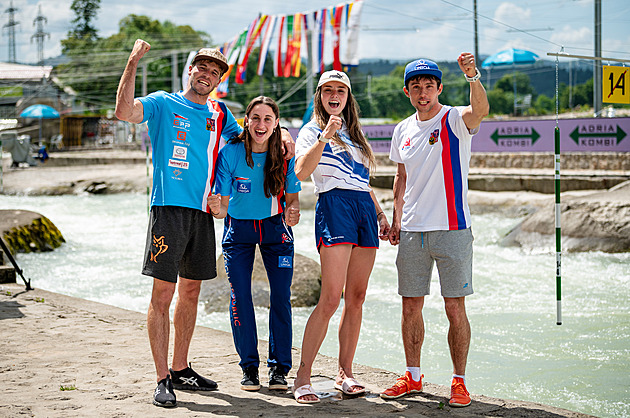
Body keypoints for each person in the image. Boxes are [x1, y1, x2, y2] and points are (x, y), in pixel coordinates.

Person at [115, 39, 295, 408]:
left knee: (192, 292)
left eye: (214, 72)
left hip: (204, 216)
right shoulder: (164, 102)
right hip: (168, 208)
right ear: (191, 70)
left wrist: (286, 132)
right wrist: (132, 62)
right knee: (162, 296)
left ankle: (181, 368)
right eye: (202, 68)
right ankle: (162, 377)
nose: (207, 75)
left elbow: (253, 134)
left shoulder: (219, 112)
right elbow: (123, 112)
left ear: (218, 80)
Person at [379, 54, 489, 408]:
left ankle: (459, 382)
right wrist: (396, 219)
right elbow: (401, 177)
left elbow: (481, 110)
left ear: (439, 88)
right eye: (416, 87)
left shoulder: (454, 118)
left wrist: (472, 76)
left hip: (453, 228)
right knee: (410, 306)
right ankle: (412, 375)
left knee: (454, 308)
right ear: (407, 92)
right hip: (412, 230)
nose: (423, 92)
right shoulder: (402, 130)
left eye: (429, 86)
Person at [291, 70, 390, 404]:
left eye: (341, 91)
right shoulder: (311, 130)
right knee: (331, 298)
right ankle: (302, 377)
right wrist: (324, 136)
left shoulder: (356, 134)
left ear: (348, 97)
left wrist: (379, 213)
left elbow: (362, 181)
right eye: (328, 90)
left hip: (363, 207)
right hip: (333, 204)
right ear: (319, 95)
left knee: (357, 297)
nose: (335, 95)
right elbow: (302, 172)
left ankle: (345, 372)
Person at [209, 96, 301, 392]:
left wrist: (294, 211)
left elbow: (294, 198)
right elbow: (222, 208)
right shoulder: (231, 153)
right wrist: (214, 207)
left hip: (276, 229)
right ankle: (249, 367)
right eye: (255, 118)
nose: (261, 124)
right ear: (245, 121)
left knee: (281, 298)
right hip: (239, 231)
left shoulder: (284, 155)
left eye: (268, 119)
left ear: (276, 125)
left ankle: (279, 370)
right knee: (240, 297)